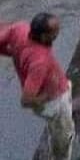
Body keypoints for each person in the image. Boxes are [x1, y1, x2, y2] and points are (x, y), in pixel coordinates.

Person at [1, 13, 75, 160]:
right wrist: (44, 98)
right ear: (43, 37)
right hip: (53, 101)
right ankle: (61, 156)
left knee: (66, 91)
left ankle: (64, 114)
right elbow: (26, 100)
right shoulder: (39, 62)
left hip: (57, 83)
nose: (58, 33)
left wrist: (15, 53)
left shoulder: (20, 29)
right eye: (54, 32)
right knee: (64, 136)